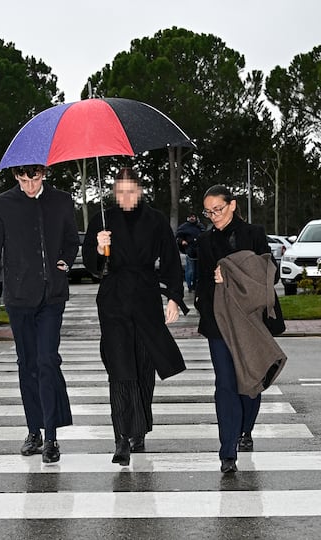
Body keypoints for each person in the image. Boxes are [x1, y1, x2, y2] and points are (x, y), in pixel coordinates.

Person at [82, 166, 188, 466]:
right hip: (113, 299)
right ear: (114, 193)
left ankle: (139, 429)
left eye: (130, 191)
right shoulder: (102, 221)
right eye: (120, 192)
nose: (125, 196)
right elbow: (93, 266)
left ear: (139, 191)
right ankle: (121, 437)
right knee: (119, 365)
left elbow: (170, 261)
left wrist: (174, 298)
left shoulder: (155, 220)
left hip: (145, 297)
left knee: (143, 366)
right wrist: (100, 249)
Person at [0, 164, 79, 464]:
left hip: (52, 297)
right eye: (23, 180)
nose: (29, 186)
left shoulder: (61, 201)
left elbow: (71, 240)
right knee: (28, 365)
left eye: (34, 179)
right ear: (16, 177)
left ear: (44, 173)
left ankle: (51, 437)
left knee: (47, 360)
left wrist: (63, 260)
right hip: (19, 297)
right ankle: (33, 430)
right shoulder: (3, 204)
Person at [194, 184, 281, 474]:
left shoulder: (254, 234)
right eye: (208, 211)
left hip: (252, 320)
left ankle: (246, 429)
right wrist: (213, 282)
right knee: (225, 383)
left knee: (251, 380)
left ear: (232, 205)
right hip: (219, 321)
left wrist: (233, 273)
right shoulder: (204, 241)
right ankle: (227, 450)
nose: (213, 216)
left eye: (218, 209)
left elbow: (270, 272)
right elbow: (200, 284)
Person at [176, 212, 205, 292]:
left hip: (199, 251)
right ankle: (190, 286)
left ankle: (196, 286)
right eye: (190, 217)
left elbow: (204, 235)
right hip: (190, 250)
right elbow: (178, 237)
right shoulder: (184, 227)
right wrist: (182, 241)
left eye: (193, 217)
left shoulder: (200, 226)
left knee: (198, 270)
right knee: (190, 270)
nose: (192, 218)